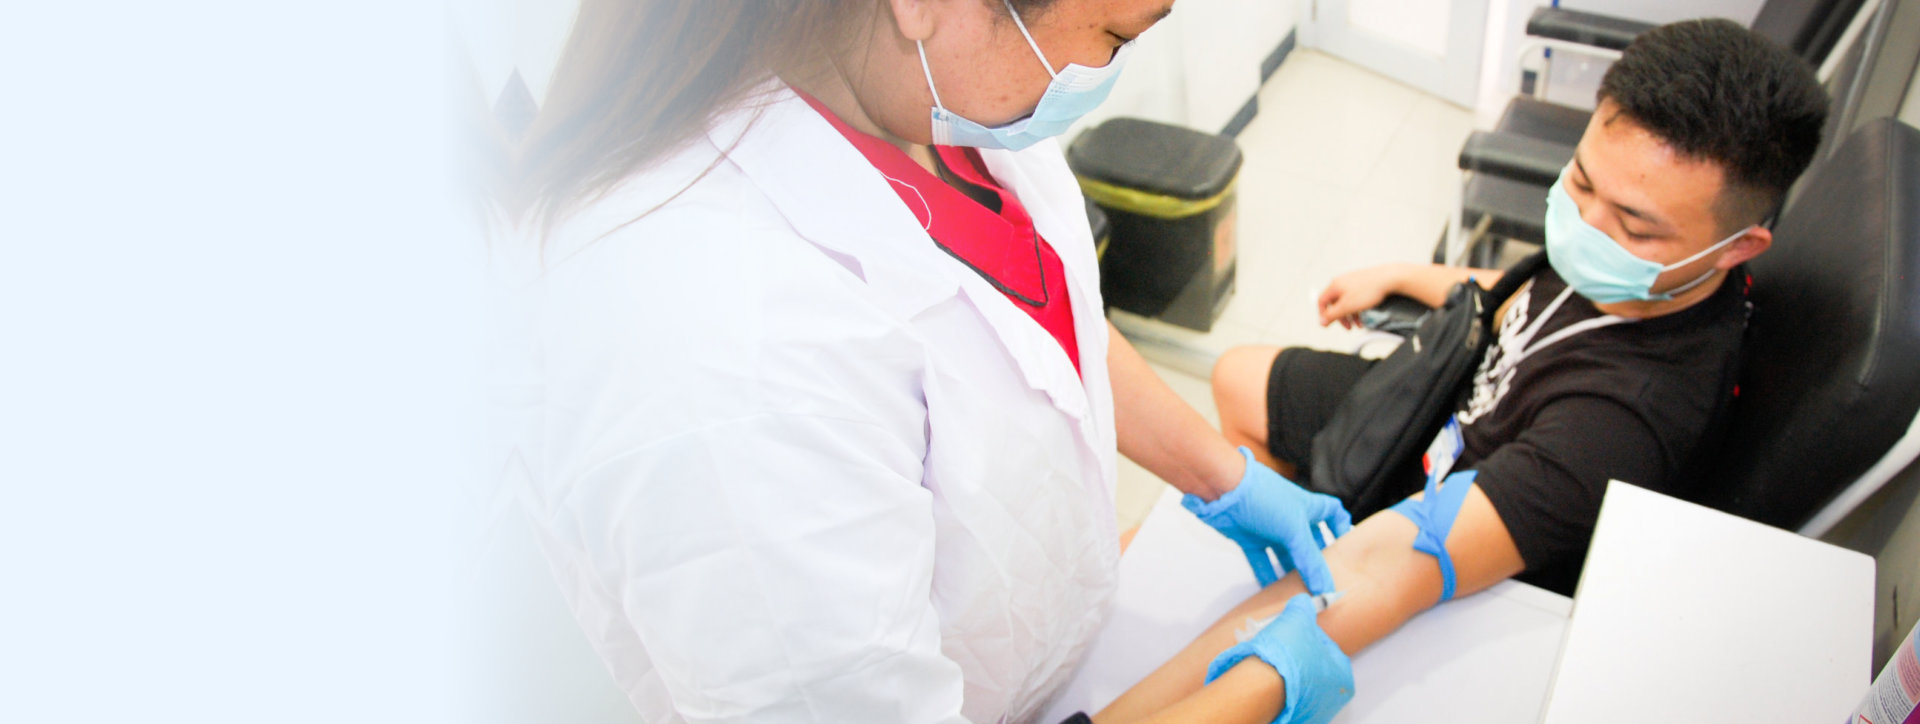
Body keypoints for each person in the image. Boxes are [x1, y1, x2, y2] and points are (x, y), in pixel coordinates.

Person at [491, 1, 1353, 722]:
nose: (1101, 77)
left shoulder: (931, 93)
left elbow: (1035, 319)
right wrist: (1253, 689)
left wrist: (1223, 474)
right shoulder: (718, 362)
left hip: (1044, 664)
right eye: (1115, 39)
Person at [1088, 19, 1829, 721]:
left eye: (1632, 224)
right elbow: (1528, 306)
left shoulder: (1623, 423)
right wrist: (1407, 273)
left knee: (1278, 600)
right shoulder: (1632, 270)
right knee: (1238, 377)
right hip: (1459, 402)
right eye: (1578, 183)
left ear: (1737, 248)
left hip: (1463, 495)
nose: (1585, 228)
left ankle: (1238, 575)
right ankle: (1264, 534)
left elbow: (1385, 572)